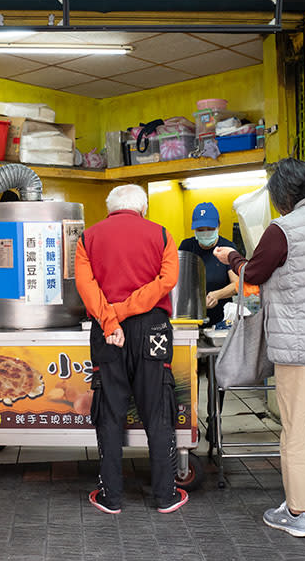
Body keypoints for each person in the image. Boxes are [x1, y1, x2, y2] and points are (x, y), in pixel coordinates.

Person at [214, 158, 305, 538]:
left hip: (302, 348)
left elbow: (254, 274)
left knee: (297, 431)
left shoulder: (284, 229)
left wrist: (230, 257)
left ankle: (297, 513)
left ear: (283, 194)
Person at [74, 184, 189, 515]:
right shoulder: (162, 234)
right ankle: (165, 496)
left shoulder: (88, 238)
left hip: (108, 329)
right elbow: (167, 281)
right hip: (152, 327)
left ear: (110, 208)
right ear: (143, 207)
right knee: (157, 406)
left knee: (110, 409)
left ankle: (111, 497)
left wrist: (112, 320)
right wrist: (127, 311)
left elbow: (85, 285)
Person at [178, 202, 239, 327]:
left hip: (221, 320)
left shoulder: (228, 248)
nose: (205, 233)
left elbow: (237, 284)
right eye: (200, 230)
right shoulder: (187, 247)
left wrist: (217, 295)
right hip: (191, 318)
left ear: (218, 226)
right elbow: (178, 281)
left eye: (210, 229)